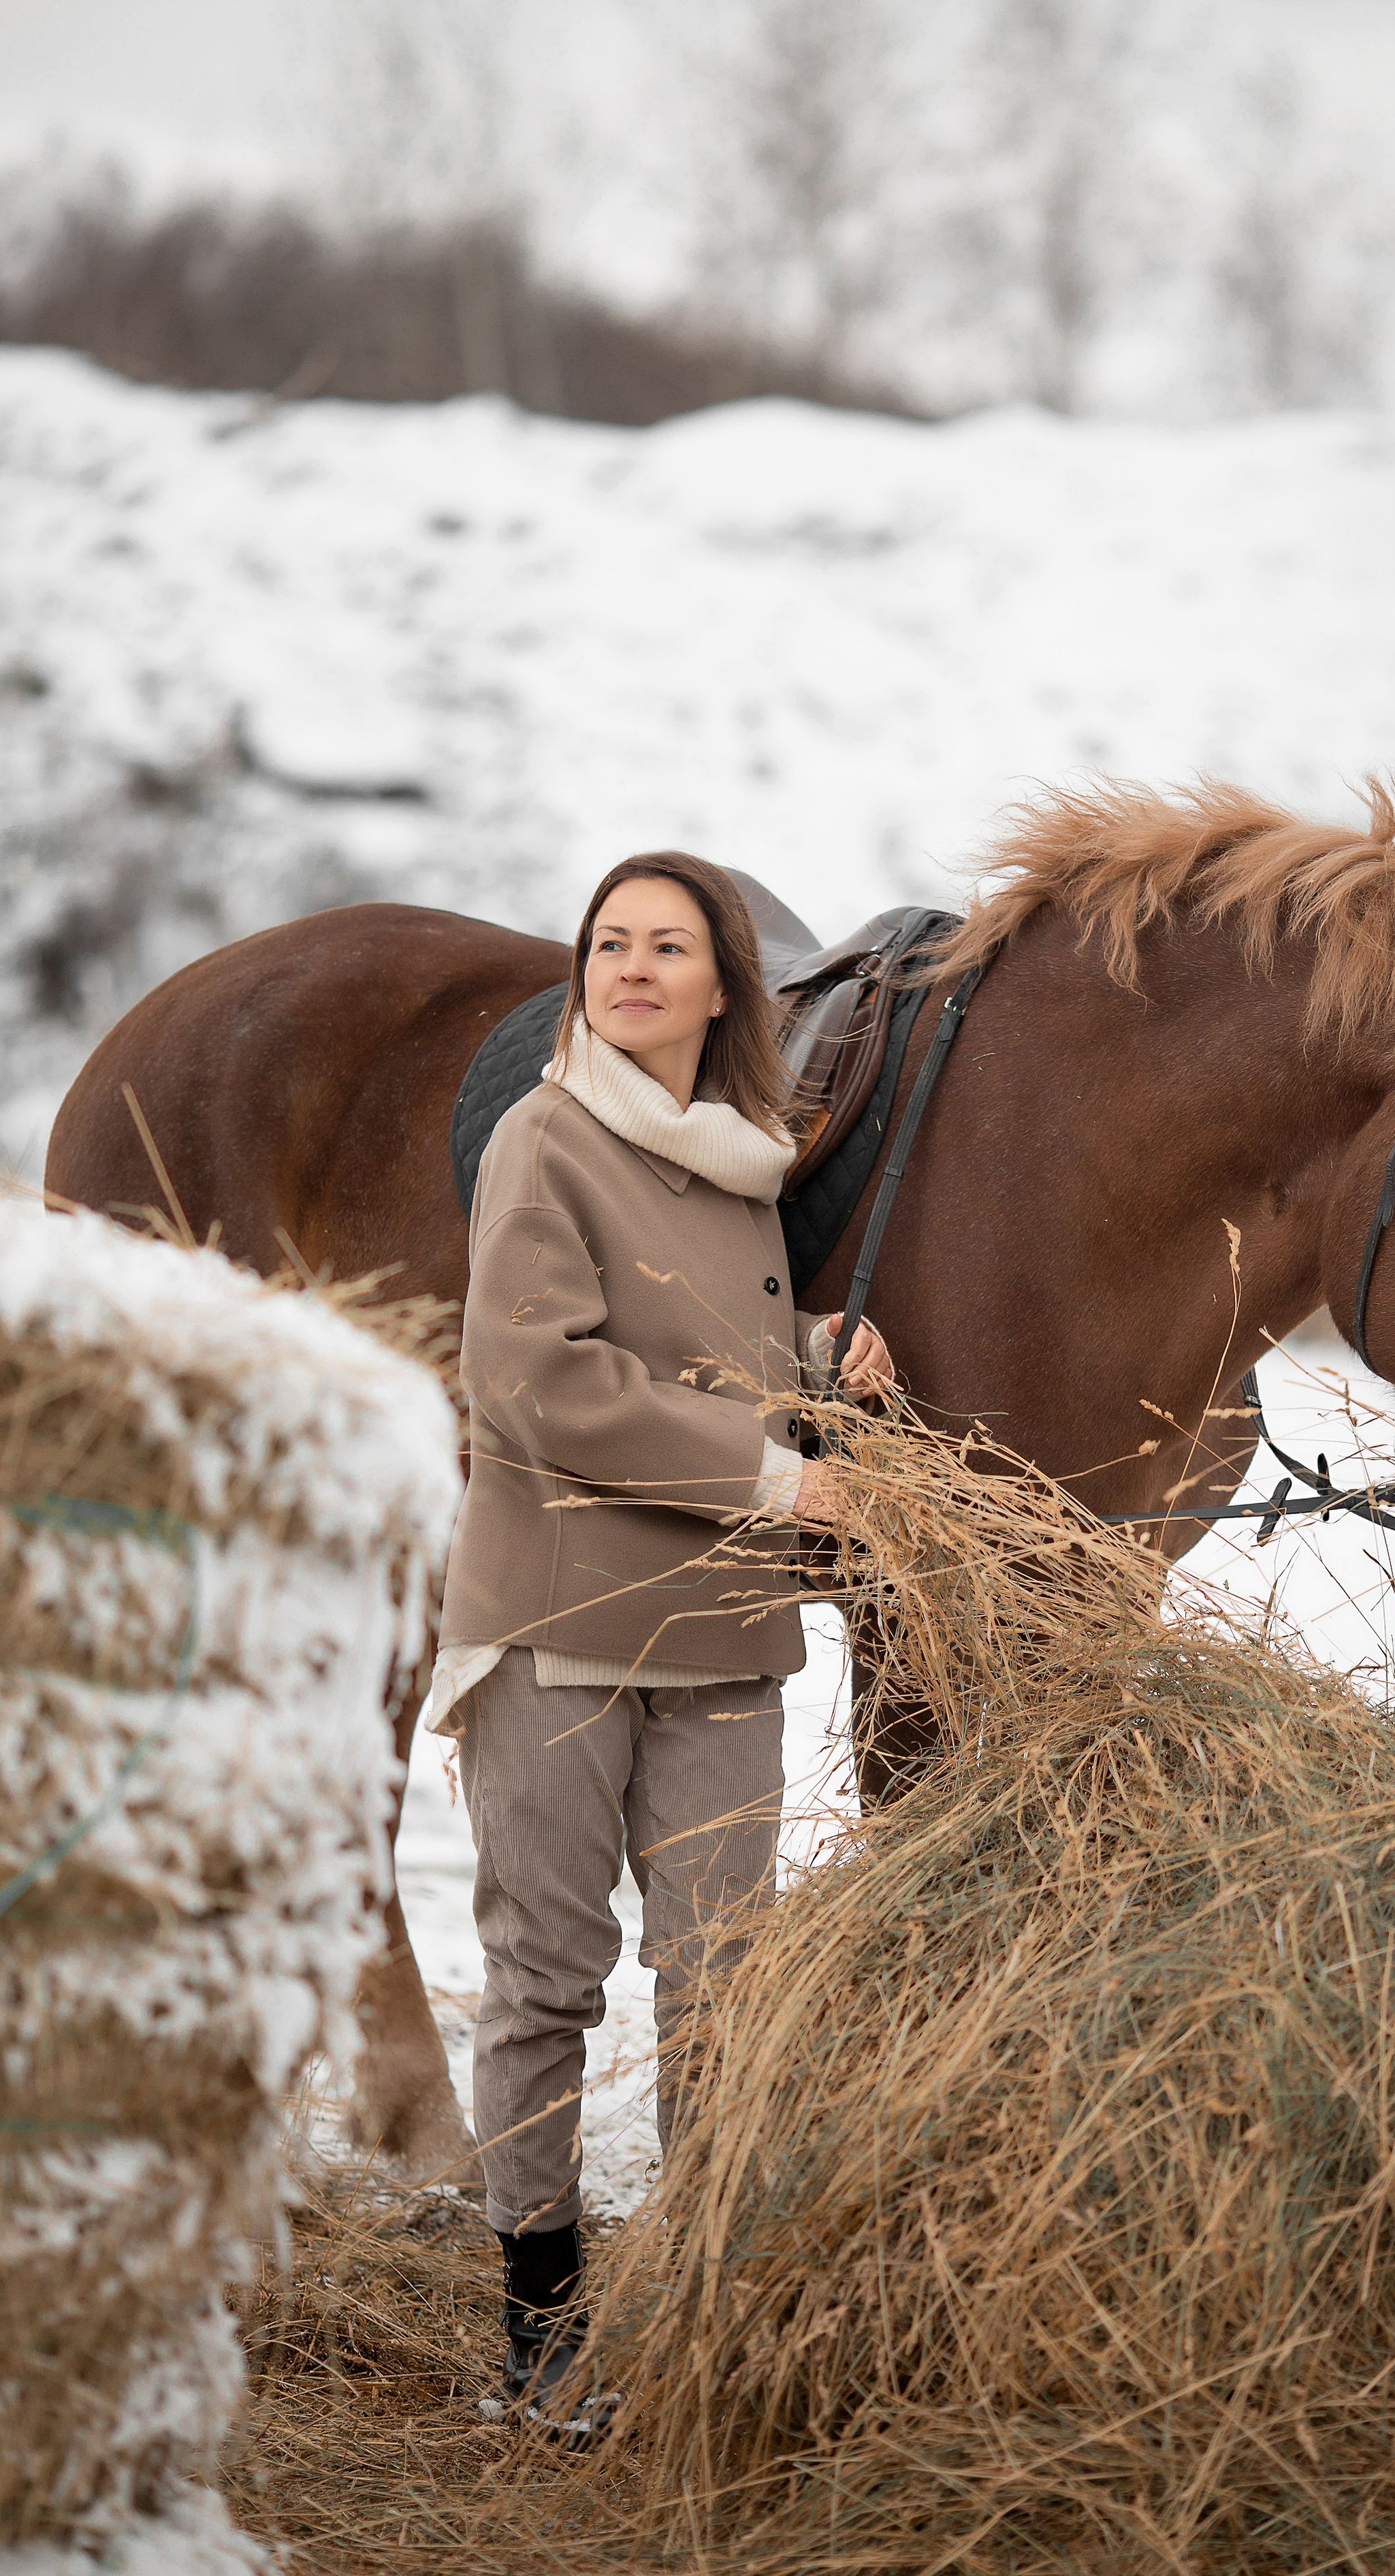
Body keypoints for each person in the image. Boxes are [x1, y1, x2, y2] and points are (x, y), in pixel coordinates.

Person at [429, 849, 892, 2442]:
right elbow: (538, 1388)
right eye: (608, 944)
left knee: (723, 1989)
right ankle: (537, 2324)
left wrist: (814, 1355)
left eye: (667, 947)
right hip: (559, 1619)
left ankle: (699, 2305)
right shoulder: (541, 1139)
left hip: (718, 1627)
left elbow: (694, 1341)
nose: (631, 969)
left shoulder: (742, 1160)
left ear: (722, 988)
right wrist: (777, 1472)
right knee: (546, 1981)